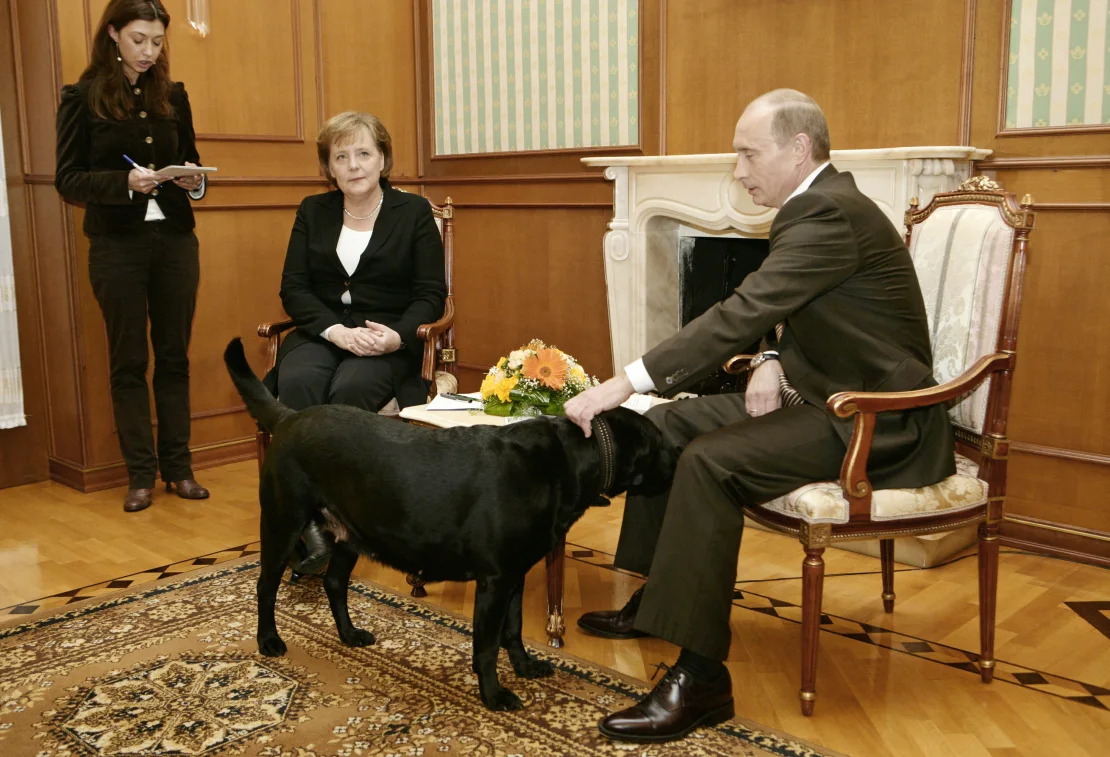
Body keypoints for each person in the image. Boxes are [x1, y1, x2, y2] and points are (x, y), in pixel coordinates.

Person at [563, 89, 955, 743]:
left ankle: (702, 675)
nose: (739, 171)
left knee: (710, 461)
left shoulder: (827, 211)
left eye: (749, 153)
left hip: (872, 419)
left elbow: (738, 312)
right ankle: (663, 599)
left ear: (799, 149)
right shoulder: (819, 206)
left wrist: (620, 383)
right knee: (660, 425)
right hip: (820, 395)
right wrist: (771, 356)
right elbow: (790, 307)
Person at [271, 111, 447, 573]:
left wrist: (398, 336)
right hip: (325, 332)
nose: (353, 165)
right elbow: (294, 287)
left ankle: (348, 515)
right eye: (341, 156)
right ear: (329, 167)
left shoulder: (412, 212)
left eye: (364, 153)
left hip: (383, 339)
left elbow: (431, 293)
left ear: (383, 159)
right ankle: (309, 521)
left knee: (350, 392)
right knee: (296, 381)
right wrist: (333, 330)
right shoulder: (314, 210)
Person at [55, 0, 210, 513]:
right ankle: (140, 475)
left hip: (174, 242)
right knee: (128, 362)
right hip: (116, 245)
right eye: (139, 39)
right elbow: (69, 179)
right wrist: (122, 182)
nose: (148, 51)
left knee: (174, 357)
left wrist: (193, 180)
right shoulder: (81, 97)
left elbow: (191, 161)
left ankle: (179, 469)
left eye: (158, 42)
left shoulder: (175, 96)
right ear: (114, 34)